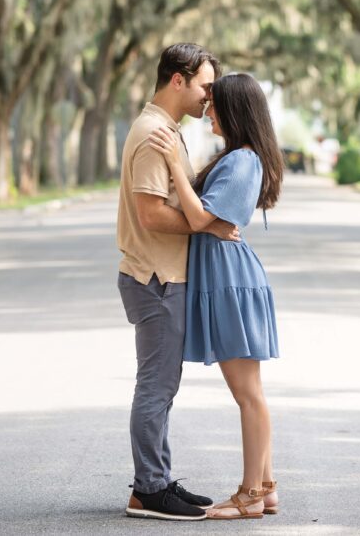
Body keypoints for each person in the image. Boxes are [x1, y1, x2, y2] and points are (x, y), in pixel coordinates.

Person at [147, 72, 283, 520]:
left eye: (214, 104)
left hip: (230, 280)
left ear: (235, 110)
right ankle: (265, 489)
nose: (208, 111)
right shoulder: (237, 157)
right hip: (223, 275)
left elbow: (201, 217)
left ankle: (249, 495)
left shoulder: (244, 160)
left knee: (247, 393)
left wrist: (171, 161)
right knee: (249, 391)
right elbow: (207, 219)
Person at [116, 43, 241, 521]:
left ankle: (158, 480)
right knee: (156, 385)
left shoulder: (165, 131)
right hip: (155, 278)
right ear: (178, 79)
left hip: (164, 277)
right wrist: (209, 224)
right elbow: (150, 214)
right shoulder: (153, 134)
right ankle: (148, 490)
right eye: (205, 86)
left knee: (163, 384)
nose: (210, 97)